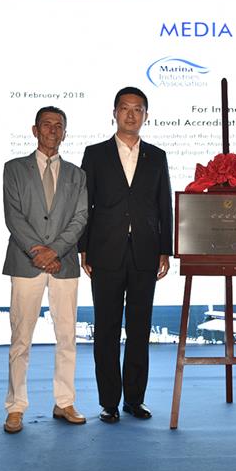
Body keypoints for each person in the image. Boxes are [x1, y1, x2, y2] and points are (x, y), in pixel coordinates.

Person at [79, 87, 173, 423]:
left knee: (139, 328)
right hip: (104, 252)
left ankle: (135, 398)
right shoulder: (95, 154)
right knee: (105, 329)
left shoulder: (157, 156)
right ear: (114, 112)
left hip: (146, 254)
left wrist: (165, 250)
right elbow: (84, 205)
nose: (131, 115)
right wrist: (84, 247)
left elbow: (165, 205)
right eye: (125, 108)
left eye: (138, 109)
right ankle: (108, 402)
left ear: (146, 115)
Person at [1, 106, 88, 433]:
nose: (53, 130)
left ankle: (64, 401)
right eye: (47, 125)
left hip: (64, 264)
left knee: (67, 336)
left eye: (59, 126)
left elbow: (80, 218)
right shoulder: (14, 169)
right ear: (35, 130)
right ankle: (15, 407)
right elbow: (13, 216)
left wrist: (56, 251)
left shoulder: (77, 175)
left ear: (65, 133)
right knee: (21, 338)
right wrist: (38, 251)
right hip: (26, 263)